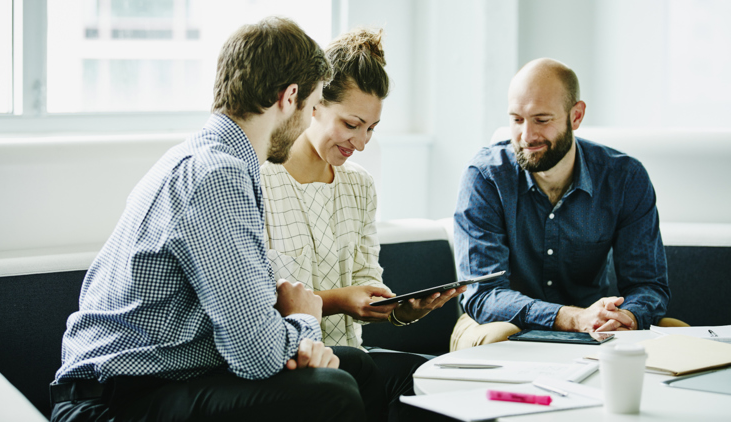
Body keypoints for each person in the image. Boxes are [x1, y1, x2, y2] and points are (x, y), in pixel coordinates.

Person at [50, 17, 368, 422]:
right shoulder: (217, 175)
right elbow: (256, 355)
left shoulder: (215, 158)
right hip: (113, 401)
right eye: (312, 105)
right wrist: (304, 321)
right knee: (333, 392)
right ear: (289, 97)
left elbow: (249, 329)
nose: (308, 121)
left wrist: (292, 329)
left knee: (358, 369)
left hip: (164, 378)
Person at [260, 28, 464, 421]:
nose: (363, 142)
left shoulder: (359, 185)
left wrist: (402, 309)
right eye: (352, 124)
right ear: (314, 105)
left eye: (371, 128)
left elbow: (367, 281)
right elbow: (259, 303)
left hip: (356, 359)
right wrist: (339, 299)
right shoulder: (261, 181)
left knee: (437, 379)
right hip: (297, 362)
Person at [450, 58, 685, 351]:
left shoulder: (624, 178)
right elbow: (483, 295)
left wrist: (627, 317)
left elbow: (647, 284)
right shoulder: (485, 177)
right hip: (499, 323)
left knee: (679, 334)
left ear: (576, 116)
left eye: (542, 120)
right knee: (500, 336)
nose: (526, 136)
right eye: (517, 119)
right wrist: (571, 317)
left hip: (593, 324)